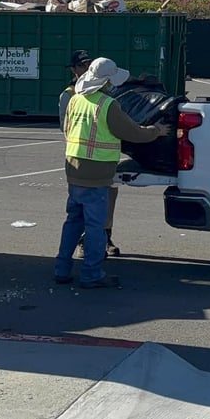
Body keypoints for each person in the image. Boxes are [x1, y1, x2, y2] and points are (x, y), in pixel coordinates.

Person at [54, 56, 170, 289]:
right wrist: (155, 131)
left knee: (73, 222)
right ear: (106, 82)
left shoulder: (75, 99)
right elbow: (132, 132)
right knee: (95, 226)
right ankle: (91, 274)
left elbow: (66, 128)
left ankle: (61, 269)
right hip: (97, 173)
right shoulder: (107, 105)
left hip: (74, 169)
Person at [59, 49, 120, 257]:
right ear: (74, 69)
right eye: (82, 65)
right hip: (93, 164)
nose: (85, 68)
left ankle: (66, 265)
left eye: (88, 64)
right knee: (93, 219)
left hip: (84, 164)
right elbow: (66, 128)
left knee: (82, 216)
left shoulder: (104, 96)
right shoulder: (70, 96)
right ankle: (91, 266)